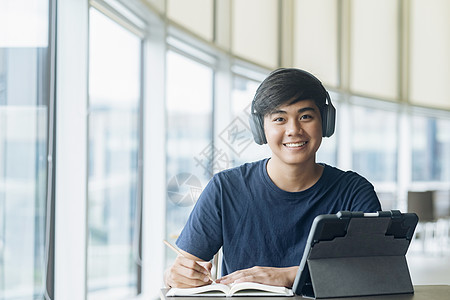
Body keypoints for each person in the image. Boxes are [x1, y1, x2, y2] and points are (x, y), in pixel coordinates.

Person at [164, 68, 381, 289]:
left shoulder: (354, 192)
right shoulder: (225, 189)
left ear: (325, 122)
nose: (294, 130)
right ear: (260, 128)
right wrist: (174, 276)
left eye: (306, 116)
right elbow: (184, 268)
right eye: (279, 119)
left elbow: (376, 272)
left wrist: (291, 275)